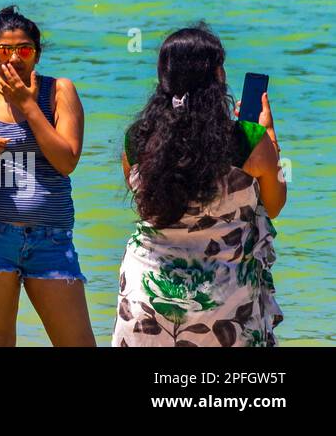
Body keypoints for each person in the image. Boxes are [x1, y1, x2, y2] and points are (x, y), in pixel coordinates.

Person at [113, 25, 285, 347]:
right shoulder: (248, 139)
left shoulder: (137, 140)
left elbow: (146, 207)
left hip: (147, 293)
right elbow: (274, 204)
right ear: (218, 76)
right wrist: (270, 136)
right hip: (225, 302)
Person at [0, 6, 96, 346]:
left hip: (51, 240)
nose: (14, 58)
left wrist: (28, 106)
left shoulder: (59, 92)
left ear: (37, 53)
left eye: (23, 49)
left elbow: (66, 160)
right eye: (4, 51)